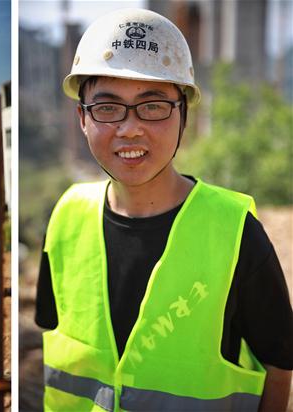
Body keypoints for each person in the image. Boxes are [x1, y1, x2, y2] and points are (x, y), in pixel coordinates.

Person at [34, 8, 292, 411]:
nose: (130, 128)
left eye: (153, 106)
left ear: (183, 113)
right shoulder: (67, 217)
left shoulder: (233, 229)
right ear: (82, 118)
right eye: (108, 108)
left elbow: (279, 362)